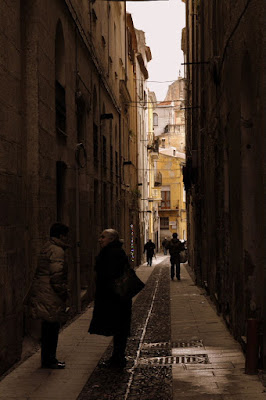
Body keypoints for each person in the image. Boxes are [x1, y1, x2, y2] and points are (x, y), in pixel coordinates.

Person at [27, 222, 70, 369]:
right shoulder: (57, 251)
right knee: (52, 328)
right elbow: (56, 276)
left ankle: (48, 359)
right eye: (66, 235)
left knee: (47, 328)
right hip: (50, 295)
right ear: (61, 235)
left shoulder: (47, 247)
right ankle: (50, 360)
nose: (67, 239)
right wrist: (63, 292)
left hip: (43, 292)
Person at [89, 229, 132, 368]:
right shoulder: (114, 252)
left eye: (103, 237)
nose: (100, 239)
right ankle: (117, 357)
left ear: (111, 239)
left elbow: (109, 276)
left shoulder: (111, 254)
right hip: (117, 298)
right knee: (119, 328)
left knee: (118, 327)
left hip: (115, 298)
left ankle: (118, 358)